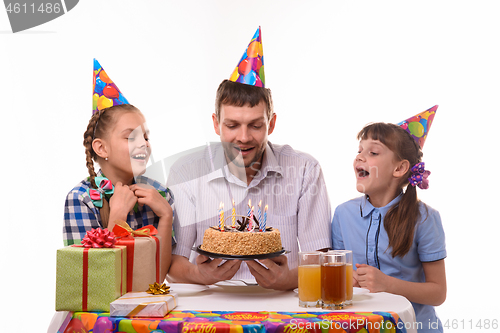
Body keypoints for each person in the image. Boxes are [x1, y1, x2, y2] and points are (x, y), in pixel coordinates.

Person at [166, 78, 332, 290]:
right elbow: (172, 263)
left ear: (271, 124)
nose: (243, 138)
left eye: (255, 125)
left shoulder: (305, 169)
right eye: (232, 125)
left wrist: (288, 280)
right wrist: (200, 274)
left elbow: (320, 260)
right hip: (210, 305)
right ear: (216, 124)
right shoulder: (186, 172)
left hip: (281, 304)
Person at [332, 108, 446, 332]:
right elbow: (339, 275)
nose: (360, 157)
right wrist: (350, 280)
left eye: (373, 153)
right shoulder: (343, 214)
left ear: (400, 168)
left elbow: (438, 292)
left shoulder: (425, 219)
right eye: (359, 150)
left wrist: (388, 284)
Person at [63, 60, 173, 281]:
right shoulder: (81, 200)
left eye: (146, 136)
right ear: (101, 148)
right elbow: (92, 280)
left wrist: (166, 216)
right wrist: (117, 217)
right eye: (130, 136)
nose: (143, 143)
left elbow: (157, 279)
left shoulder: (160, 195)